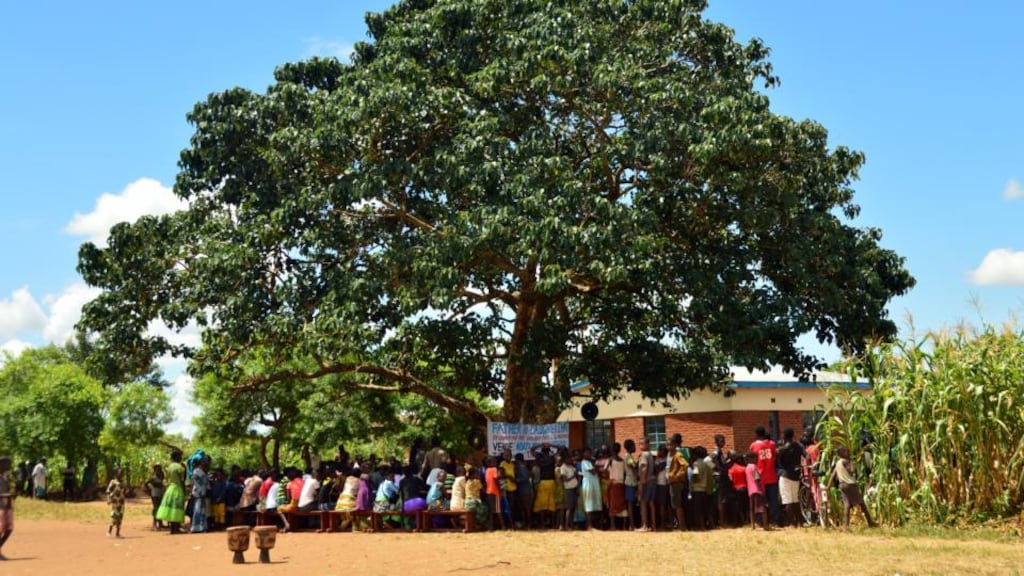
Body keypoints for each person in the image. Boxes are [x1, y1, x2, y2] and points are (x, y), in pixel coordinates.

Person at [829, 445, 877, 529]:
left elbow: (833, 475)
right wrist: (852, 463)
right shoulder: (846, 461)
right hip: (850, 485)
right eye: (847, 451)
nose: (849, 453)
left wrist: (827, 486)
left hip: (842, 485)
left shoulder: (838, 463)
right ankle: (870, 522)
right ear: (843, 453)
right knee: (862, 503)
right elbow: (851, 472)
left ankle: (845, 526)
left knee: (847, 505)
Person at [750, 426, 780, 526]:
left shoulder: (754, 445)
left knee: (760, 501)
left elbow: (752, 462)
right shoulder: (772, 444)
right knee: (773, 500)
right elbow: (775, 457)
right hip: (772, 476)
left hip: (760, 477)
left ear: (756, 434)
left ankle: (760, 521)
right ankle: (774, 520)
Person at [777, 427, 806, 527]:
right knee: (795, 500)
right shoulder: (799, 446)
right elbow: (804, 455)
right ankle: (800, 522)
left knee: (787, 501)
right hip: (796, 476)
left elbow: (780, 463)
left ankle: (793, 524)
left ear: (784, 436)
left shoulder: (782, 449)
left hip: (785, 476)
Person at [156, 450, 186, 534]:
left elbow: (166, 479)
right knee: (177, 508)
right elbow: (182, 480)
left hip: (170, 489)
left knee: (172, 509)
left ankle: (172, 529)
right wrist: (184, 491)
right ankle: (177, 529)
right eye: (180, 456)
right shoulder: (180, 467)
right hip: (177, 488)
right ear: (177, 457)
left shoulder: (169, 467)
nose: (181, 458)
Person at [530, 442, 560, 527]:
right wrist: (551, 444)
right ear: (549, 451)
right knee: (552, 504)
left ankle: (542, 524)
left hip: (542, 482)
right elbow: (560, 449)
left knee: (542, 505)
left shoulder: (539, 457)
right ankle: (553, 524)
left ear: (542, 451)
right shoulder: (552, 457)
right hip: (551, 482)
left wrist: (540, 444)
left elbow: (532, 450)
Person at [667, 433, 689, 531]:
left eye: (670, 444)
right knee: (675, 505)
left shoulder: (677, 454)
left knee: (677, 505)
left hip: (676, 483)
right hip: (672, 482)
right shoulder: (669, 454)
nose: (668, 446)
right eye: (667, 445)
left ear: (675, 445)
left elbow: (685, 465)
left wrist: (677, 476)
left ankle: (682, 526)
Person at [711, 434, 733, 527]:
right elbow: (713, 462)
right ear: (716, 442)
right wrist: (718, 469)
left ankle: (723, 521)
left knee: (722, 500)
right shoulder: (716, 452)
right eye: (721, 441)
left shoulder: (720, 452)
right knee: (720, 500)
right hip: (719, 478)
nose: (723, 443)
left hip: (722, 477)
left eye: (724, 441)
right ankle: (722, 522)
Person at [689, 446, 713, 530]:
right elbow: (712, 471)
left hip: (697, 489)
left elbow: (695, 478)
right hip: (706, 489)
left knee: (699, 510)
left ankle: (701, 526)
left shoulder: (695, 464)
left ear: (696, 455)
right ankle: (711, 524)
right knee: (706, 509)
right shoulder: (708, 463)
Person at [636, 437, 656, 532]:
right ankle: (653, 525)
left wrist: (642, 482)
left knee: (643, 503)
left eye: (642, 444)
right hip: (652, 480)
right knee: (651, 503)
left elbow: (644, 468)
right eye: (639, 444)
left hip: (646, 481)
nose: (640, 446)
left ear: (647, 444)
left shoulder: (644, 455)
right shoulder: (650, 454)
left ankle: (644, 525)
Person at [579, 448, 602, 530]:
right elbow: (593, 471)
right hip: (588, 485)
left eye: (590, 453)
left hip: (593, 484)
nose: (589, 454)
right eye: (587, 453)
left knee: (593, 505)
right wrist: (595, 463)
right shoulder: (585, 462)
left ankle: (594, 524)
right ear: (583, 454)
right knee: (588, 504)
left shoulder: (590, 462)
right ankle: (589, 525)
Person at [606, 443, 627, 529]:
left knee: (612, 504)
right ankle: (625, 526)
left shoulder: (610, 460)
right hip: (621, 484)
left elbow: (606, 470)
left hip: (613, 484)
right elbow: (625, 472)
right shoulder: (622, 460)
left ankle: (613, 526)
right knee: (622, 504)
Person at [745, 452, 768, 530]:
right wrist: (761, 490)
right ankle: (765, 525)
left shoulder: (747, 467)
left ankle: (752, 525)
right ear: (751, 459)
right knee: (762, 509)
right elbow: (757, 478)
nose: (757, 460)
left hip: (750, 491)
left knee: (752, 509)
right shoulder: (754, 467)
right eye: (756, 458)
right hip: (757, 490)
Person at [0, 456, 16, 561]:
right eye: (7, 463)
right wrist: (7, 495)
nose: (9, 465)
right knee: (1, 528)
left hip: (7, 505)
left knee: (9, 528)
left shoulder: (6, 477)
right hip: (0, 505)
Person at [484, 457, 505, 530]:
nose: (496, 463)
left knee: (491, 511)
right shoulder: (494, 469)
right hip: (495, 492)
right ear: (490, 463)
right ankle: (503, 526)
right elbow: (496, 479)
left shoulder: (486, 470)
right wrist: (499, 489)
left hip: (489, 492)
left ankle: (491, 527)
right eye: (494, 462)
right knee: (498, 510)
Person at [190, 457, 210, 533]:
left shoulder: (199, 471)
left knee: (200, 509)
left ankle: (200, 527)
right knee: (199, 510)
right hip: (199, 493)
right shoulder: (198, 471)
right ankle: (198, 527)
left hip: (200, 492)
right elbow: (203, 482)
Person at [513, 454, 534, 528]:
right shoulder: (520, 467)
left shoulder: (522, 468)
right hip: (523, 490)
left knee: (526, 508)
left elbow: (525, 478)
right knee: (524, 508)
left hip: (525, 490)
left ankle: (528, 524)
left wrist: (516, 480)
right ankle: (526, 523)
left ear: (518, 460)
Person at [729, 453, 749, 527]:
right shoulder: (744, 469)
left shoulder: (731, 470)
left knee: (739, 506)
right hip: (745, 488)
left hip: (736, 489)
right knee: (746, 506)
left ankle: (743, 520)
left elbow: (730, 480)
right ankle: (747, 520)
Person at [144, 464, 166, 530]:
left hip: (161, 493)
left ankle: (160, 523)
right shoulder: (153, 478)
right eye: (157, 469)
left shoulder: (161, 476)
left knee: (160, 508)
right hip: (155, 494)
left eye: (160, 469)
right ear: (155, 470)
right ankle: (154, 524)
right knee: (156, 508)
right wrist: (149, 491)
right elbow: (146, 483)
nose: (158, 471)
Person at [105, 468, 126, 538]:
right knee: (115, 516)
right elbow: (108, 491)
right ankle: (109, 530)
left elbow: (124, 492)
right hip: (115, 501)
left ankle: (117, 533)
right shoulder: (113, 482)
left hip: (122, 502)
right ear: (116, 474)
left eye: (122, 473)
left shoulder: (123, 483)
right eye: (120, 473)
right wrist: (108, 499)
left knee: (120, 517)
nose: (121, 474)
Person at [623, 439, 638, 529]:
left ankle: (632, 524)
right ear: (629, 447)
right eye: (633, 445)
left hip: (632, 481)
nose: (635, 447)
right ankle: (631, 525)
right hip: (630, 482)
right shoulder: (628, 456)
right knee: (630, 503)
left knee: (632, 503)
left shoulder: (630, 456)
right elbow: (634, 465)